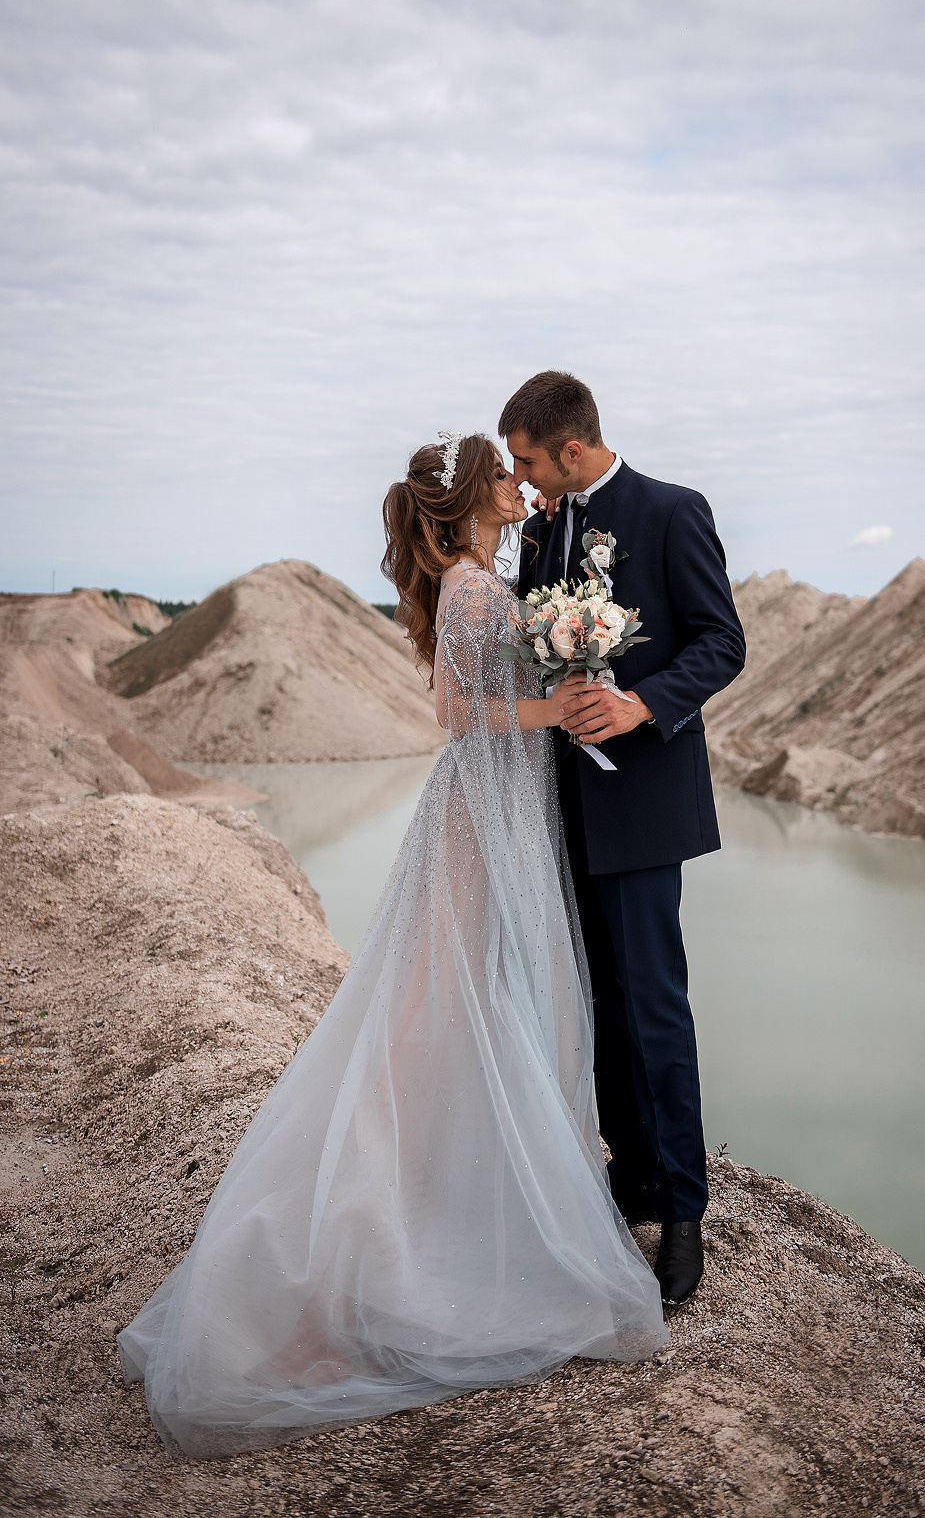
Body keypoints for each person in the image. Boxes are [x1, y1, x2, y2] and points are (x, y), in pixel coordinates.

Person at [117, 432, 666, 1459]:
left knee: (470, 1010)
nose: (520, 481)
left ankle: (451, 1204)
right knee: (428, 1021)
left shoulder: (480, 576)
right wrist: (566, 698)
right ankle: (351, 1260)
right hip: (480, 811)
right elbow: (463, 716)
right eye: (504, 475)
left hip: (507, 809)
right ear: (470, 498)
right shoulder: (469, 589)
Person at [501, 372, 746, 1305]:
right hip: (564, 803)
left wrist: (642, 702)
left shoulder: (676, 510)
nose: (520, 481)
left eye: (527, 459)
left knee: (655, 1005)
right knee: (599, 997)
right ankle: (633, 1180)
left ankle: (685, 1210)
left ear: (571, 449)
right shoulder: (541, 531)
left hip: (644, 802)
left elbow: (721, 644)